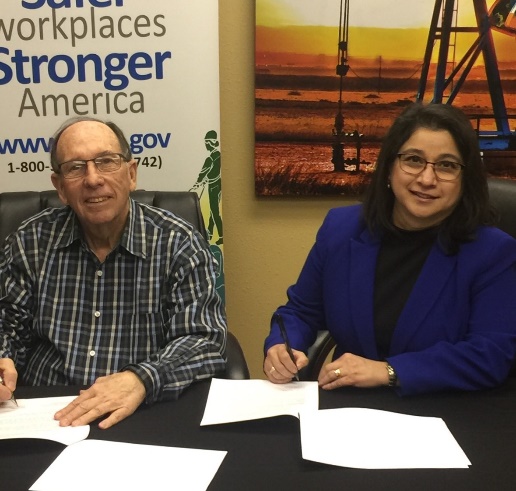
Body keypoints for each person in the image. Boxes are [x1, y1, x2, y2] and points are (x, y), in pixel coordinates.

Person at [264, 102, 516, 395]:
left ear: (465, 179)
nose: (426, 179)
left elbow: (491, 354)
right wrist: (282, 346)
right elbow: (301, 311)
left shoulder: (493, 252)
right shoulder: (340, 229)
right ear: (388, 167)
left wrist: (389, 371)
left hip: (445, 409)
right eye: (413, 160)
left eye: (447, 165)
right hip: (349, 408)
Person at [0, 117, 227, 428]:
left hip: (140, 410)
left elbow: (204, 339)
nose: (93, 179)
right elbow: (8, 325)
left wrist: (142, 378)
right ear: (60, 187)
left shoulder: (177, 243)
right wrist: (3, 358)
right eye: (76, 167)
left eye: (106, 162)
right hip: (47, 414)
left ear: (131, 174)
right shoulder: (30, 241)